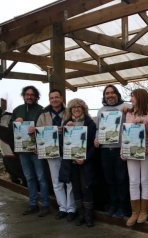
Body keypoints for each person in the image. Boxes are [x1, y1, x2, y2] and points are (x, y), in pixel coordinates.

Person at [37, 89, 76, 222]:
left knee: (69, 180)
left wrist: (69, 127)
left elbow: (78, 126)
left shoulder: (69, 111)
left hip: (68, 150)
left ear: (61, 98)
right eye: (52, 98)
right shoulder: (43, 115)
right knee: (56, 181)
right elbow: (38, 132)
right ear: (49, 100)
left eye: (57, 97)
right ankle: (63, 208)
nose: (54, 99)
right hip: (51, 151)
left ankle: (71, 208)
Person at [10, 85, 50, 217]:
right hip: (23, 151)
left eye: (32, 94)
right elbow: (10, 127)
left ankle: (45, 204)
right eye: (27, 94)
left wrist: (37, 129)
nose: (29, 97)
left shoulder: (41, 110)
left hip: (37, 151)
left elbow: (47, 128)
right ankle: (33, 204)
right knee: (29, 178)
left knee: (41, 178)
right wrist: (15, 122)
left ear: (36, 96)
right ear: (24, 96)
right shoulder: (17, 110)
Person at [94, 85, 130, 218]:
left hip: (120, 149)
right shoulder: (101, 110)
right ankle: (113, 204)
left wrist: (129, 113)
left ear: (117, 94)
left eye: (112, 93)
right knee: (109, 179)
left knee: (121, 179)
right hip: (105, 150)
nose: (109, 95)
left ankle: (123, 207)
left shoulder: (126, 107)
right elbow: (98, 128)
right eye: (107, 93)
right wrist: (96, 139)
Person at [59, 99, 97, 227]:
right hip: (72, 162)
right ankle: (81, 215)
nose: (76, 109)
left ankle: (89, 216)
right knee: (76, 188)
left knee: (86, 188)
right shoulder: (66, 123)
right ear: (70, 110)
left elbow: (94, 145)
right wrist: (65, 130)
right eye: (73, 107)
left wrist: (85, 158)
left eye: (79, 107)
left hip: (86, 162)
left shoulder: (90, 123)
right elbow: (61, 144)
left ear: (83, 108)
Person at [123, 89, 148, 227]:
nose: (131, 99)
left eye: (133, 96)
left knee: (145, 180)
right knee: (134, 181)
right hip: (132, 151)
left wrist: (143, 122)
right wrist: (123, 151)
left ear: (140, 97)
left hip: (147, 151)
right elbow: (125, 133)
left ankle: (144, 211)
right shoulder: (129, 113)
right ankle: (134, 212)